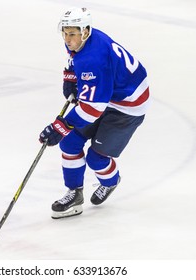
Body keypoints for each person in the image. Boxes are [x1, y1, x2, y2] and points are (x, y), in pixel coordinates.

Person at [39, 7, 150, 219]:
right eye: (65, 32)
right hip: (109, 93)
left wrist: (60, 126)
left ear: (86, 31)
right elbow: (74, 58)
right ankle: (74, 194)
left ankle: (111, 181)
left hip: (128, 105)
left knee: (96, 159)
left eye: (72, 34)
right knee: (69, 142)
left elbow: (92, 109)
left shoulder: (94, 60)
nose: (67, 39)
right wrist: (71, 76)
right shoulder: (83, 40)